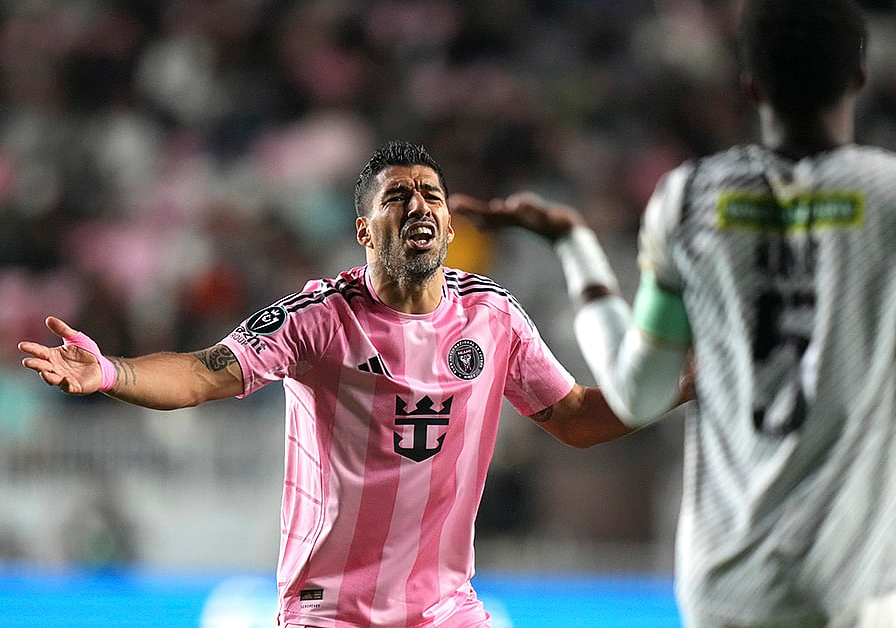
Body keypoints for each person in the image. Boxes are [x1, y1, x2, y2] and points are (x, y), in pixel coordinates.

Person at [451, 0, 896, 627]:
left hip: (721, 592)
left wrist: (576, 249)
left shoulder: (690, 198)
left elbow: (636, 393)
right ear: (858, 77)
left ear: (751, 84)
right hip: (848, 593)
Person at [18, 140, 635, 628]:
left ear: (449, 227)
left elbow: (575, 417)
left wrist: (680, 380)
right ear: (365, 230)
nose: (419, 205)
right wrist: (109, 371)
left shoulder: (493, 316)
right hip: (331, 610)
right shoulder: (318, 318)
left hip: (447, 610)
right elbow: (204, 373)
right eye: (398, 196)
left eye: (431, 195)